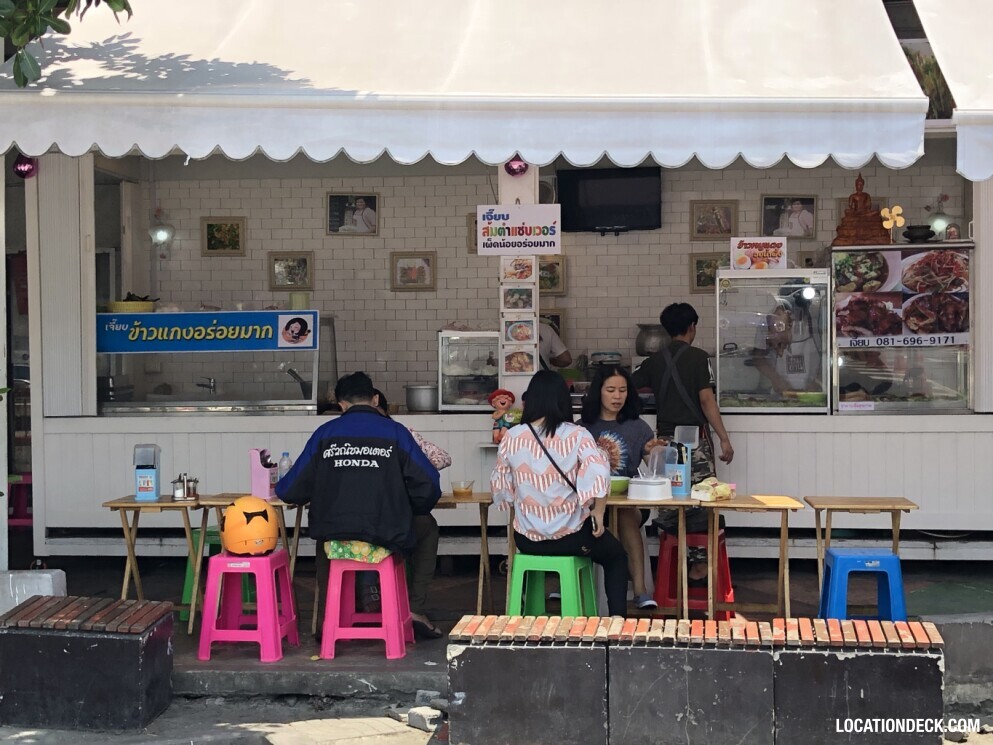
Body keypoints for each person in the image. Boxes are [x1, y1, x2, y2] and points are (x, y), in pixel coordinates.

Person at [276, 371, 444, 639]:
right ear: (375, 398)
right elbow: (429, 486)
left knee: (327, 542)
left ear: (341, 404)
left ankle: (327, 620)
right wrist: (408, 507)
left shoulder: (325, 434)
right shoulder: (396, 433)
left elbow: (289, 490)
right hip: (386, 532)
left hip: (335, 533)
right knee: (427, 526)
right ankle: (414, 608)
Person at [490, 370, 629, 616]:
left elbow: (502, 488)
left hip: (526, 540)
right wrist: (598, 511)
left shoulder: (511, 436)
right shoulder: (576, 435)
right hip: (571, 538)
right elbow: (600, 471)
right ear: (564, 400)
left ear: (529, 401)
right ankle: (618, 622)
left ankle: (525, 612)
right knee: (616, 556)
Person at [631, 303, 734, 583]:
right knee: (701, 499)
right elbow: (706, 399)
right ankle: (699, 564)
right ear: (692, 327)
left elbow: (630, 386)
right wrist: (724, 438)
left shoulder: (653, 361)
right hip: (695, 442)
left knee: (669, 499)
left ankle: (671, 558)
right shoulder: (699, 358)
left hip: (664, 442)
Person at [580, 365, 665, 609]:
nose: (617, 396)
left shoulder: (639, 427)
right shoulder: (582, 427)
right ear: (599, 392)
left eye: (622, 390)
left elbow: (656, 469)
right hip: (590, 504)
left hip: (628, 501)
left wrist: (655, 452)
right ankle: (575, 585)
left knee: (626, 517)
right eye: (611, 390)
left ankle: (640, 591)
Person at [751, 282, 824, 395]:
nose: (796, 314)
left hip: (811, 395)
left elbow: (827, 355)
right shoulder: (769, 320)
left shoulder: (817, 317)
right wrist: (777, 380)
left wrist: (818, 380)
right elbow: (758, 357)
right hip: (780, 394)